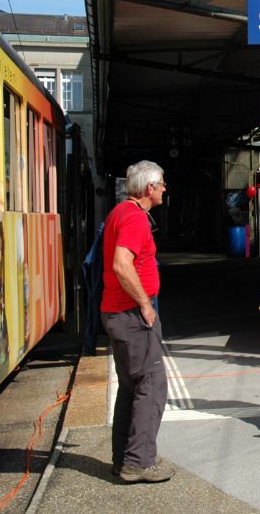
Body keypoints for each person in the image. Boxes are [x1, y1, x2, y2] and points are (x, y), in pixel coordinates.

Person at [101, 160, 175, 483]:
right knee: (152, 384)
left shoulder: (120, 212)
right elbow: (122, 264)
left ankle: (124, 457)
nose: (164, 189)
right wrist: (145, 304)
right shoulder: (135, 219)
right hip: (131, 315)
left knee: (131, 387)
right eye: (161, 184)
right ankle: (139, 462)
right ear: (149, 188)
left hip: (116, 313)